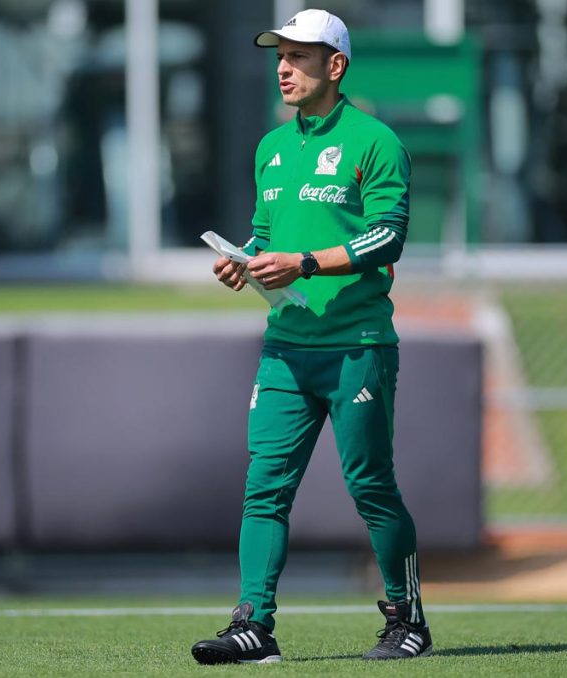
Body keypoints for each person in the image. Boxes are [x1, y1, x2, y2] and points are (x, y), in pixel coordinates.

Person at [190, 8, 431, 665]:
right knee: (264, 486)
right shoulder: (271, 147)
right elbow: (268, 235)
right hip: (287, 347)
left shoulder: (376, 141)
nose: (283, 67)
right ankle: (253, 625)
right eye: (279, 55)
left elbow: (389, 236)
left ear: (336, 66)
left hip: (357, 346)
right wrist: (243, 259)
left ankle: (406, 616)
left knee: (370, 485)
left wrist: (304, 263)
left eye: (298, 56)